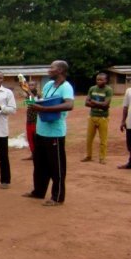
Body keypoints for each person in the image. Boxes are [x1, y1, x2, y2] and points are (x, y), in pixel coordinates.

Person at [23, 60, 74, 206]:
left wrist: (44, 110)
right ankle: (38, 192)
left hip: (55, 134)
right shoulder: (48, 85)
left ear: (61, 70)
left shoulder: (66, 87)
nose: (49, 69)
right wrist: (30, 99)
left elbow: (69, 105)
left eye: (52, 67)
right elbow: (42, 101)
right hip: (41, 131)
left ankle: (57, 197)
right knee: (39, 164)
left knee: (56, 167)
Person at [82, 73, 112, 164]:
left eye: (101, 80)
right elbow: (86, 103)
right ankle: (88, 156)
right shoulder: (92, 88)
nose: (99, 81)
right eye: (97, 79)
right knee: (89, 138)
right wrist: (101, 104)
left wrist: (93, 101)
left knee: (103, 139)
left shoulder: (108, 90)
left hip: (103, 117)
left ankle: (102, 158)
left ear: (106, 81)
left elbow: (105, 104)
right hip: (92, 116)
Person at [20, 80, 39, 160]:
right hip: (29, 120)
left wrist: (27, 93)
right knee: (30, 138)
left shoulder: (38, 95)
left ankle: (37, 154)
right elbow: (27, 102)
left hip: (36, 121)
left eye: (32, 85)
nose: (30, 86)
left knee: (35, 138)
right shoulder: (29, 95)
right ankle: (33, 154)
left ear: (36, 86)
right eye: (29, 85)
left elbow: (33, 102)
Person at [119, 86, 131, 169]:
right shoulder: (129, 91)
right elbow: (125, 107)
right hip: (130, 122)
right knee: (130, 144)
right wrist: (123, 121)